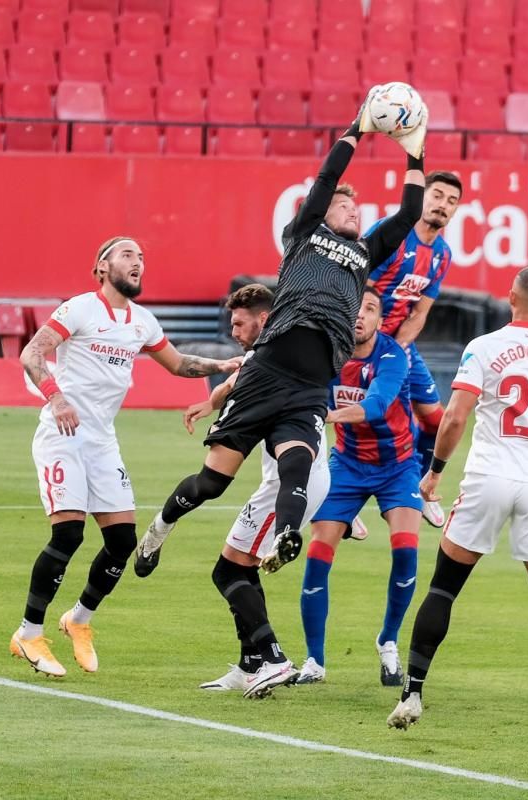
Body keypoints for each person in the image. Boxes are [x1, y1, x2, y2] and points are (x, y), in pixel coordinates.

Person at [134, 100, 426, 697]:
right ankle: (161, 529)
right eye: (346, 203)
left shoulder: (367, 254)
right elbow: (324, 181)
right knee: (213, 481)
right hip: (269, 370)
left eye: (355, 205)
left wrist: (416, 149)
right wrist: (356, 131)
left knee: (296, 457)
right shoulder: (305, 235)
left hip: (309, 386)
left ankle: (284, 545)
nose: (352, 208)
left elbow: (411, 211)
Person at [386, 267, 528, 745]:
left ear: (510, 299)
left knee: (444, 589)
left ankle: (413, 693)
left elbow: (455, 418)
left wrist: (435, 472)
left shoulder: (484, 347)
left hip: (488, 479)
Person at [10, 236, 237, 677]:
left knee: (121, 542)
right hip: (62, 435)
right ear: (101, 266)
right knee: (69, 536)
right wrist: (56, 398)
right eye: (128, 255)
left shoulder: (143, 322)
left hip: (100, 441)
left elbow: (177, 364)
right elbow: (32, 353)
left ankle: (79, 619)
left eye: (142, 258)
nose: (138, 263)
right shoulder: (78, 309)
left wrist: (221, 366)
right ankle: (29, 632)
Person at [152, 283, 333, 693]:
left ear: (264, 320)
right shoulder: (266, 355)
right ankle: (250, 662)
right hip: (296, 481)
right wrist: (209, 404)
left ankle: (272, 657)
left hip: (287, 486)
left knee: (228, 569)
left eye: (238, 323)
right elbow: (233, 381)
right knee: (237, 567)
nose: (233, 331)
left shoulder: (278, 359)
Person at [293, 287, 421, 687]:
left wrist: (327, 415)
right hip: (347, 465)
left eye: (370, 310)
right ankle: (314, 660)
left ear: (379, 321)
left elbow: (377, 406)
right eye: (355, 309)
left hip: (397, 465)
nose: (361, 316)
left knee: (405, 552)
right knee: (317, 554)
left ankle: (388, 641)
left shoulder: (391, 356)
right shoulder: (327, 355)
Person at [366, 171, 463, 529]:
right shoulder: (390, 233)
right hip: (358, 341)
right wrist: (368, 345)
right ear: (420, 197)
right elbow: (358, 291)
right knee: (359, 424)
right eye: (437, 195)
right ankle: (336, 502)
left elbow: (420, 311)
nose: (443, 205)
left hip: (397, 343)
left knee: (437, 422)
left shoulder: (442, 254)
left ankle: (419, 490)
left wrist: (397, 348)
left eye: (451, 201)